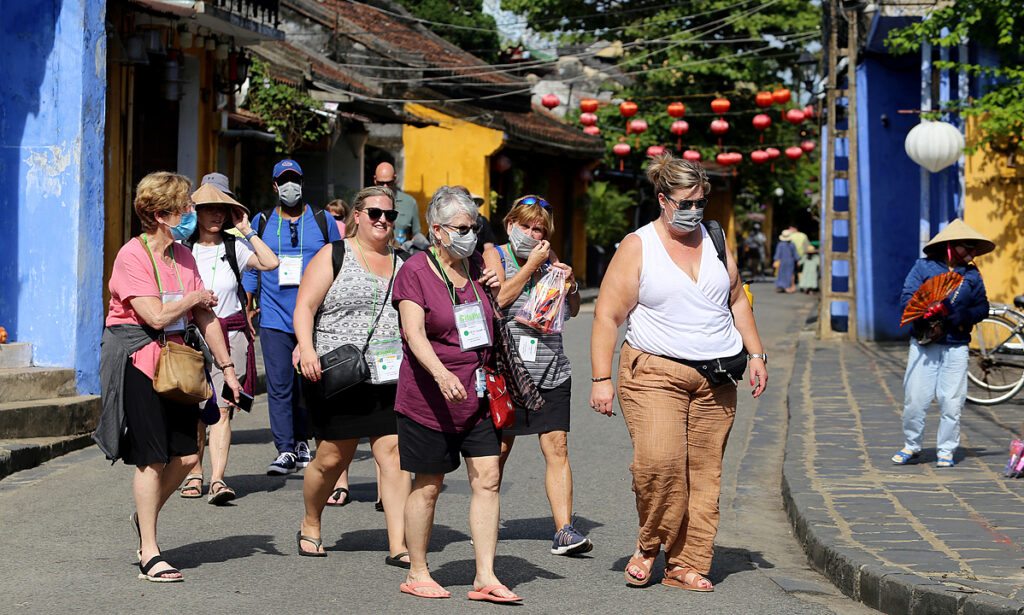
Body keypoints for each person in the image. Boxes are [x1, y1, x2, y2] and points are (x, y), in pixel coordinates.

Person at [589, 153, 768, 592]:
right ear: (662, 199)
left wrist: (758, 353)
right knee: (660, 464)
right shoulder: (638, 246)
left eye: (700, 202)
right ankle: (650, 544)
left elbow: (736, 299)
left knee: (704, 476)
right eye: (684, 203)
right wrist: (601, 379)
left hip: (717, 377)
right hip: (653, 373)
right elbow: (608, 315)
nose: (693, 211)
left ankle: (685, 564)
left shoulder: (716, 237)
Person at [95, 171, 242, 582]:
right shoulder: (132, 256)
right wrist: (195, 297)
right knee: (152, 457)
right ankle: (150, 552)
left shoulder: (183, 256)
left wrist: (227, 368)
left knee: (189, 456)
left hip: (177, 363)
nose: (191, 214)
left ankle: (145, 517)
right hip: (139, 360)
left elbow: (205, 316)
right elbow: (155, 315)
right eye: (185, 208)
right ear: (161, 214)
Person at [392, 186, 518, 602]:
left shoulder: (478, 263)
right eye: (462, 228)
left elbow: (491, 318)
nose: (471, 235)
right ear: (438, 231)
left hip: (478, 391)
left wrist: (497, 287)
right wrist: (441, 373)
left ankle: (485, 575)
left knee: (488, 477)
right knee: (428, 484)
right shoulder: (415, 270)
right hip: (430, 396)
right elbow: (413, 333)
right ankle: (418, 570)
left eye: (474, 227)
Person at [293, 186, 412, 566]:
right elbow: (305, 307)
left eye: (389, 215)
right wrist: (306, 347)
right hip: (340, 373)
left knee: (392, 455)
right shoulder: (336, 254)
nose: (382, 221)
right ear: (357, 216)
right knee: (332, 459)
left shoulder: (405, 262)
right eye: (375, 213)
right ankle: (311, 521)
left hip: (390, 375)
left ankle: (399, 544)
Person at [491, 194, 591, 556]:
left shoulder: (552, 261)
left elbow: (574, 310)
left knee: (557, 446)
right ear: (510, 225)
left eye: (539, 229)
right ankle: (485, 520)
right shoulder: (495, 255)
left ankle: (564, 530)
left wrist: (571, 283)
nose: (532, 234)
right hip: (508, 372)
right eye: (526, 226)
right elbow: (497, 301)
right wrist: (530, 265)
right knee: (498, 450)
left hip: (551, 367)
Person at [178, 182, 279, 504]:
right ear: (196, 213)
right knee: (194, 409)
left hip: (231, 336)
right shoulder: (182, 248)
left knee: (222, 409)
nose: (217, 214)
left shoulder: (235, 246)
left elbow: (270, 263)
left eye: (222, 209)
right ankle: (194, 472)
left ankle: (218, 479)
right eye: (209, 209)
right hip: (191, 338)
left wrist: (247, 230)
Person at [242, 159, 342, 475]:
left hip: (313, 318)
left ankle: (303, 441)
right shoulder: (261, 222)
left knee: (307, 384)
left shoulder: (323, 221)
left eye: (294, 179)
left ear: (302, 182)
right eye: (283, 181)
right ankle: (285, 448)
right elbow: (252, 266)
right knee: (280, 385)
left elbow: (338, 265)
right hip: (273, 316)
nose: (290, 186)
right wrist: (247, 306)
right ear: (274, 186)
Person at [891, 219, 992, 468]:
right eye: (965, 245)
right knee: (915, 399)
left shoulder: (971, 274)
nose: (969, 251)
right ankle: (911, 445)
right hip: (925, 344)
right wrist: (926, 310)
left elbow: (982, 306)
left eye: (972, 247)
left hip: (957, 344)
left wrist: (962, 317)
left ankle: (946, 449)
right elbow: (907, 299)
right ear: (949, 246)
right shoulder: (923, 268)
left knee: (952, 400)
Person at [373, 162, 421, 248]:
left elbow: (416, 235)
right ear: (375, 180)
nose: (385, 187)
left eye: (389, 183)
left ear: (395, 178)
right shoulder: (367, 202)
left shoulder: (410, 202)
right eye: (381, 183)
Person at [773, 229, 799, 293]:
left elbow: (778, 254)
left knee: (781, 273)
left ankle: (781, 286)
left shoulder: (780, 244)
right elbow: (795, 254)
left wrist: (775, 260)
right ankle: (787, 287)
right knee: (789, 274)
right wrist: (797, 260)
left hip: (782, 261)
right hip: (790, 261)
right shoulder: (792, 244)